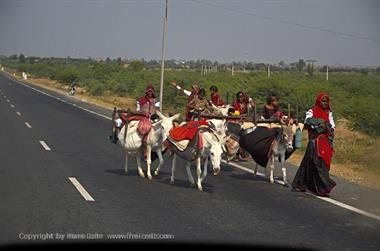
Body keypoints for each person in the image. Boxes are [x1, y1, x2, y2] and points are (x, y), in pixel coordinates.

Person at [292, 93, 336, 197]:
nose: (325, 103)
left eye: (326, 101)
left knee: (321, 164)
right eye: (323, 101)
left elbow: (332, 127)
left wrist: (326, 126)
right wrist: (319, 123)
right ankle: (321, 188)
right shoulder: (312, 111)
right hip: (314, 141)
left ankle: (317, 187)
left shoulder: (329, 113)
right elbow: (308, 121)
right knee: (313, 163)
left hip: (325, 142)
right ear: (318, 101)